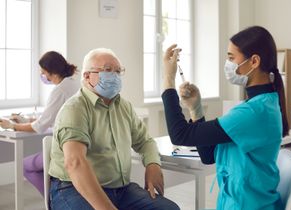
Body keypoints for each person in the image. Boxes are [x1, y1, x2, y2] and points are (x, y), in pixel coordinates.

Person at [162, 26, 289, 209]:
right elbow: (208, 155)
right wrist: (196, 109)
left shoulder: (253, 112)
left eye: (231, 58)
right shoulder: (260, 104)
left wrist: (168, 79)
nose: (227, 64)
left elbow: (180, 135)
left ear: (253, 61)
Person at [48, 48, 180, 210]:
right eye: (107, 70)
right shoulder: (75, 109)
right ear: (87, 76)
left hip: (121, 189)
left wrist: (153, 164)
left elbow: (145, 141)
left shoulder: (124, 107)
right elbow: (75, 163)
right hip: (73, 188)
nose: (115, 76)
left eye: (118, 71)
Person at [0, 51, 80, 195]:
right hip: (79, 146)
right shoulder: (74, 85)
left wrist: (11, 126)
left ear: (52, 72)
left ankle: (53, 200)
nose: (42, 76)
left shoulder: (59, 90)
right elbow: (54, 118)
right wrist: (26, 121)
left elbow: (39, 127)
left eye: (43, 72)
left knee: (24, 165)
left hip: (66, 149)